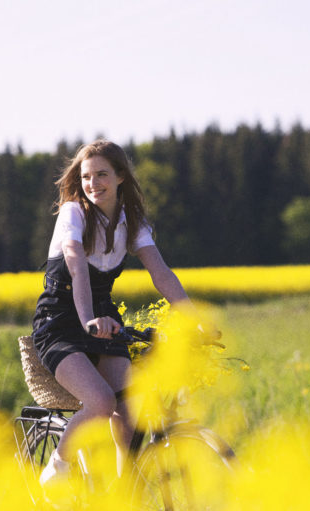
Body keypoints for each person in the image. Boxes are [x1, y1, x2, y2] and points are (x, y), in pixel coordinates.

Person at [32, 139, 191, 485]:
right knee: (102, 402)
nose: (92, 184)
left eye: (101, 174)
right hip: (60, 320)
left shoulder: (131, 221)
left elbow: (160, 271)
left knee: (130, 412)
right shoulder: (74, 212)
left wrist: (193, 318)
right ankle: (57, 468)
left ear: (120, 176)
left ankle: (123, 495)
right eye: (86, 176)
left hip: (104, 319)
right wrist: (88, 318)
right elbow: (75, 265)